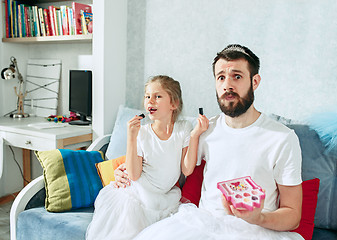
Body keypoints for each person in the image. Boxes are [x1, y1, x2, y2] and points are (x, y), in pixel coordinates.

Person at [115, 44, 304, 240]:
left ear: (254, 81)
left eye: (237, 76)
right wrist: (124, 170)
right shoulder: (203, 130)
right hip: (202, 226)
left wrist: (258, 218)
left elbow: (292, 215)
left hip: (255, 231)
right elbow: (165, 160)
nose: (227, 85)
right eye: (221, 77)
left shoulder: (282, 138)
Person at [86, 75, 209, 240]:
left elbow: (186, 169)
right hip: (138, 195)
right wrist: (131, 136)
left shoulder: (184, 129)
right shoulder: (142, 133)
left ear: (174, 104)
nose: (150, 101)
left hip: (166, 199)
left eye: (158, 96)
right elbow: (134, 174)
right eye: (147, 96)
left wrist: (195, 136)